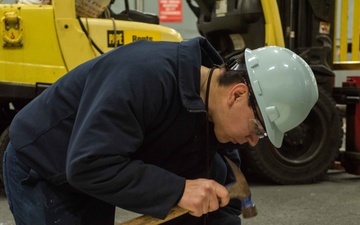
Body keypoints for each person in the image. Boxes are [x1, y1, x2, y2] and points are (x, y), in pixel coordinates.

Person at [2, 36, 318, 225]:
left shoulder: (211, 124)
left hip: (92, 171)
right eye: (257, 128)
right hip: (43, 164)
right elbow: (87, 164)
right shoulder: (144, 77)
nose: (252, 141)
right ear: (237, 94)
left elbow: (220, 193)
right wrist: (178, 190)